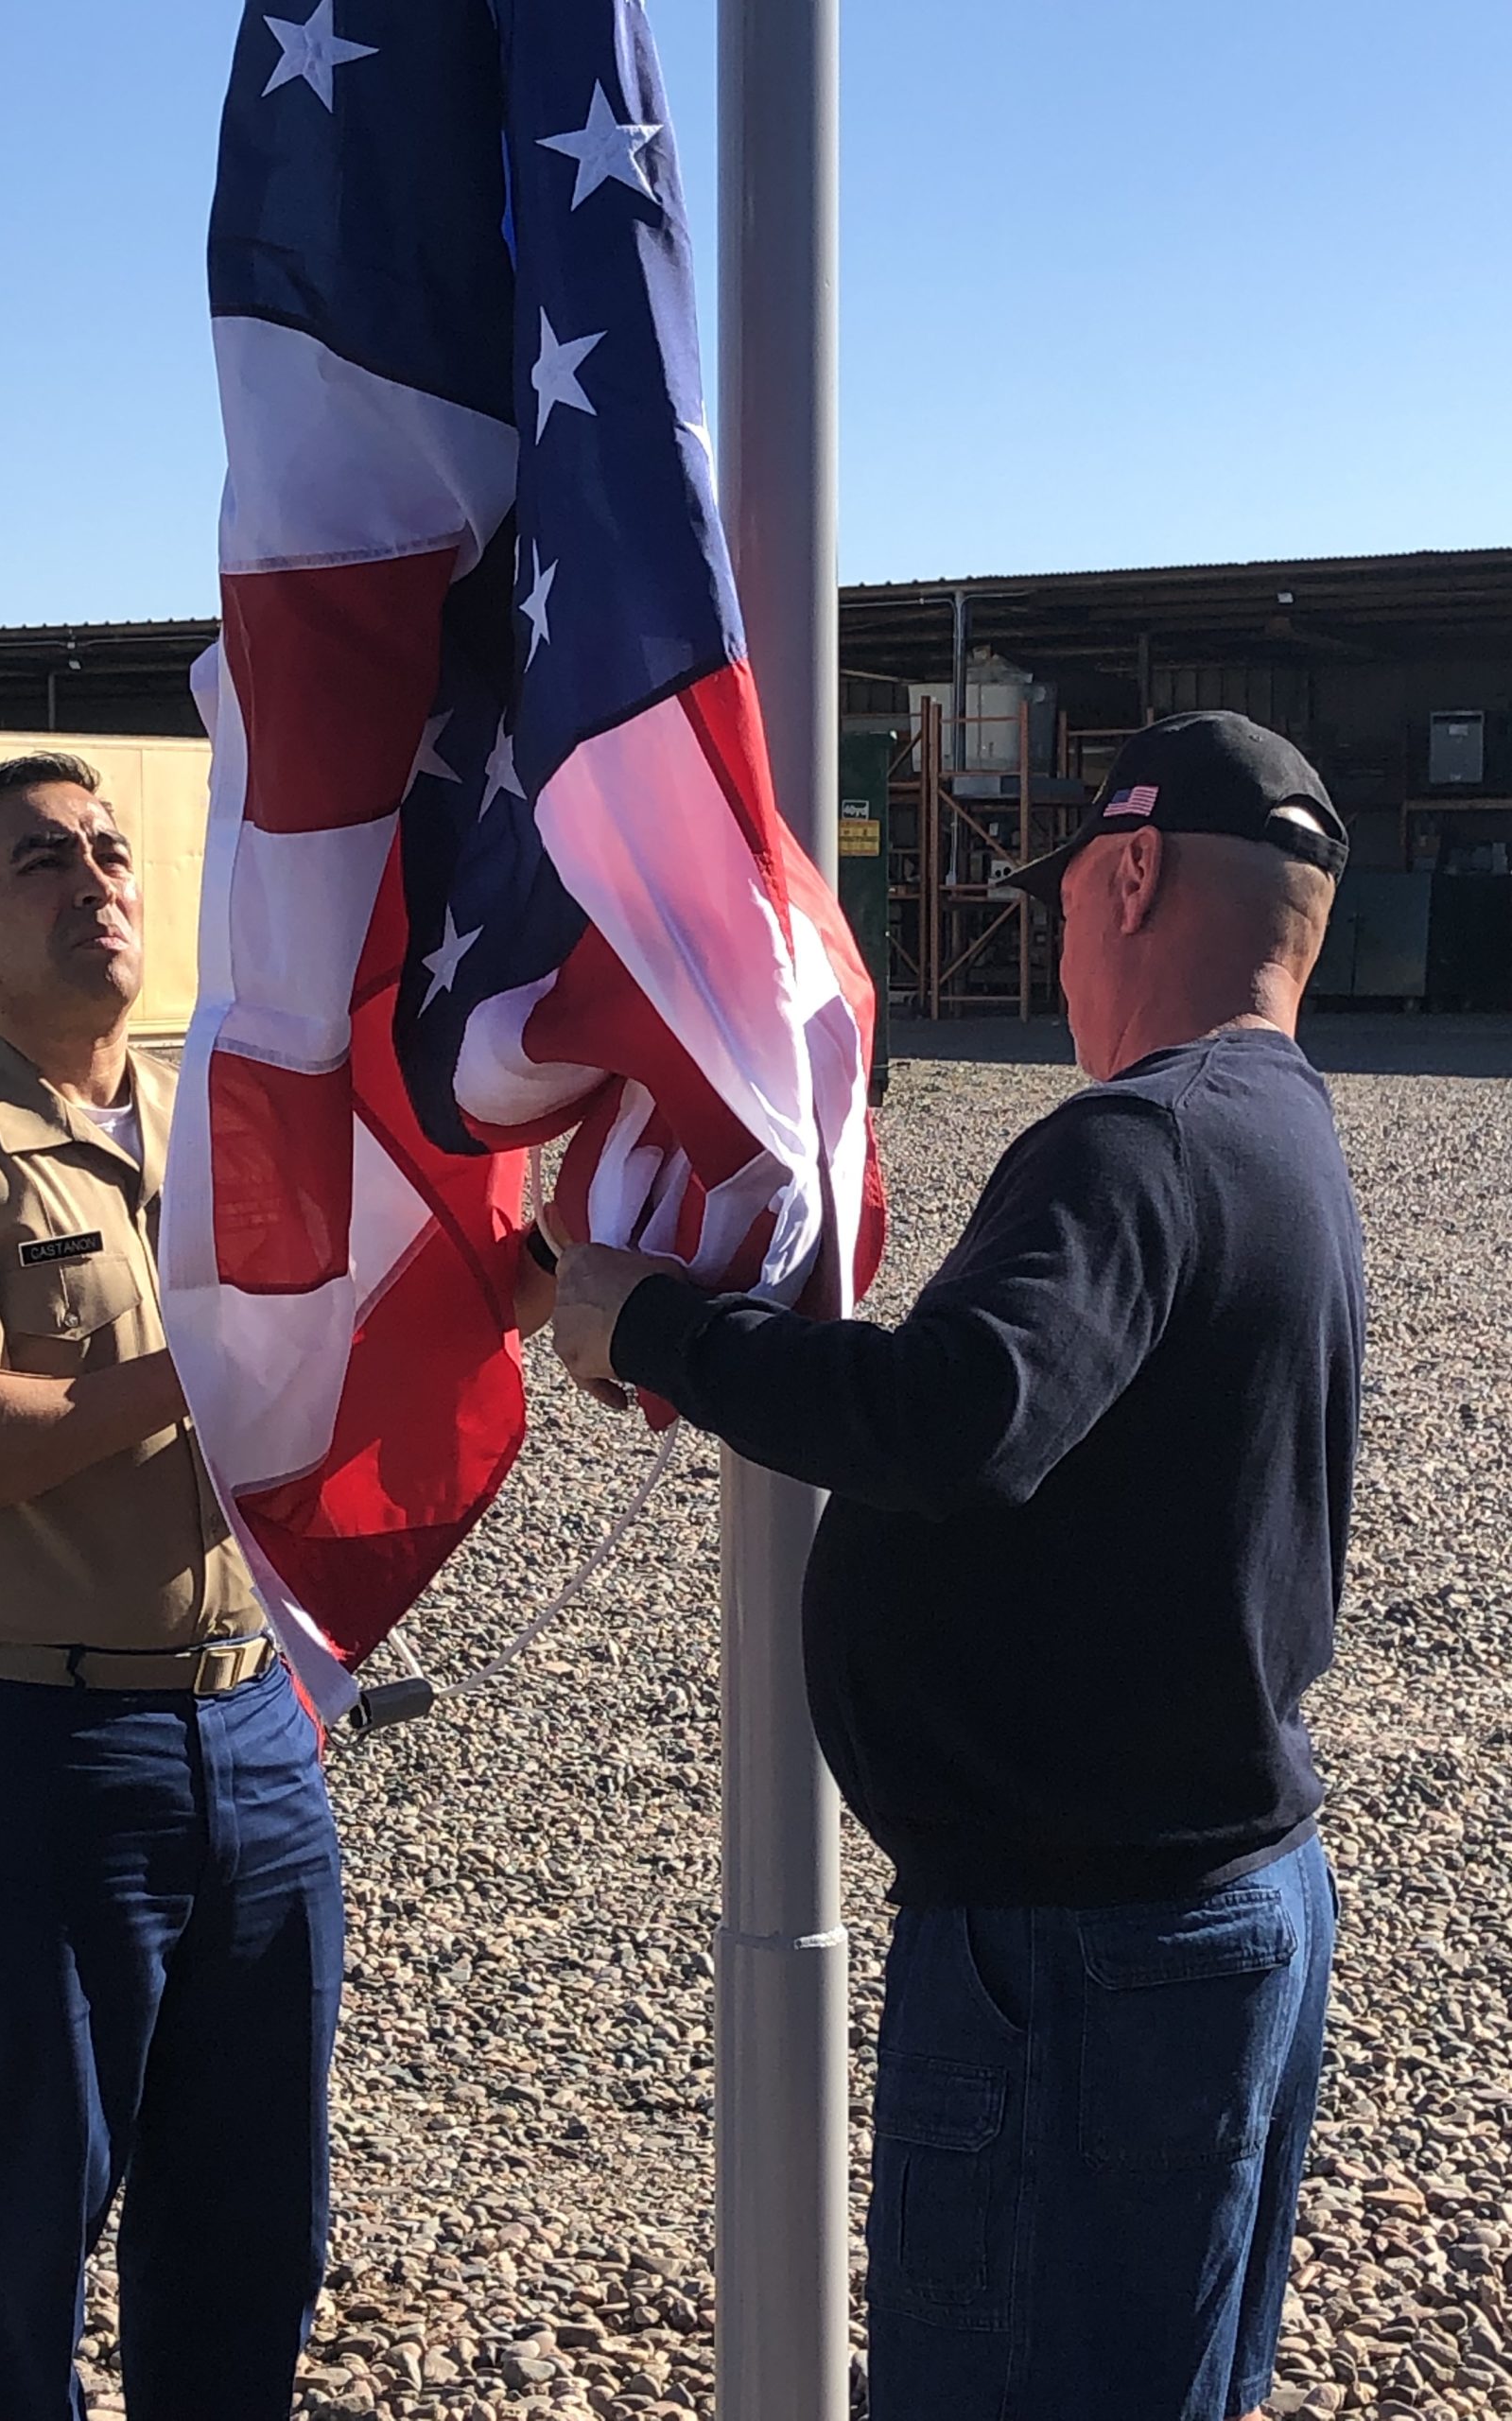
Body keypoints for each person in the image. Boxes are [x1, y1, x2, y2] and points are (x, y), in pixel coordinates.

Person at [550, 711, 1364, 2421]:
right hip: (1209, 1903)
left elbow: (961, 1412)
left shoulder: (1139, 1140)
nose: (1060, 937)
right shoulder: (1279, 1124)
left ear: (1133, 872)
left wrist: (662, 1329)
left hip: (1084, 1950)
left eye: (1066, 895)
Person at [0, 754, 344, 2421]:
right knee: (17, 2239)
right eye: (42, 861)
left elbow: (387, 1286)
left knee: (253, 2236)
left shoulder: (235, 1109)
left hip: (258, 1740)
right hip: (34, 1748)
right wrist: (216, 1366)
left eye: (108, 849)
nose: (95, 878)